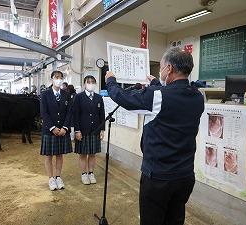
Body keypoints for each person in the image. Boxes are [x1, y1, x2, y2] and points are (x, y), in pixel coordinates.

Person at [105, 47, 204, 225]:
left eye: (162, 67)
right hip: (185, 176)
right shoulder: (198, 97)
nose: (161, 71)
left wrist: (110, 81)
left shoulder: (156, 96)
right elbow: (173, 101)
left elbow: (123, 97)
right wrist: (158, 84)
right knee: (174, 220)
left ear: (170, 69)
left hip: (159, 178)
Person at [40, 70, 73, 191]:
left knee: (59, 154)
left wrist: (65, 127)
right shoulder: (45, 94)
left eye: (60, 77)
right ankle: (51, 178)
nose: (58, 79)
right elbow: (44, 112)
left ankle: (58, 177)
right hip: (49, 130)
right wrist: (53, 127)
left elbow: (69, 112)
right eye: (56, 77)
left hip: (63, 130)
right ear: (51, 79)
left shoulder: (66, 94)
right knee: (49, 155)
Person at [73, 75, 105, 185]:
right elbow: (75, 115)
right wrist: (77, 130)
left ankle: (91, 173)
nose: (91, 84)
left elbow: (102, 114)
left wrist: (102, 130)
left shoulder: (98, 97)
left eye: (93, 82)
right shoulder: (79, 97)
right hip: (83, 129)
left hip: (95, 129)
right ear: (84, 84)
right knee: (82, 154)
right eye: (89, 82)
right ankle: (83, 174)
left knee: (92, 153)